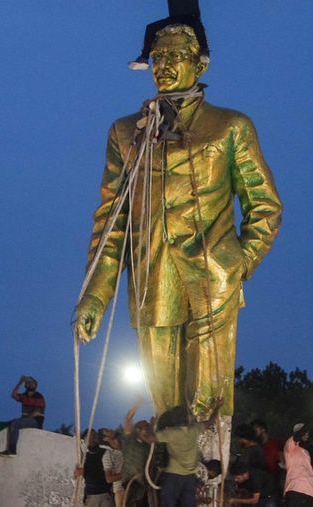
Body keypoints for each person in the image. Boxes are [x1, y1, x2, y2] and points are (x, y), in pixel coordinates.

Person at [74, 24, 283, 424]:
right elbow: (111, 219)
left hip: (213, 275)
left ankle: (209, 476)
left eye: (175, 57)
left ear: (198, 64)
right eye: (158, 58)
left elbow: (265, 205)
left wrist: (237, 264)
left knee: (209, 405)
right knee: (166, 409)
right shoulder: (126, 132)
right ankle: (168, 480)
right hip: (153, 278)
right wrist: (96, 294)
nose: (163, 66)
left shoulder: (230, 126)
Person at [154, 400, 222, 507]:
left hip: (173, 475)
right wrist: (217, 407)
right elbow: (211, 421)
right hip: (188, 477)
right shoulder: (194, 429)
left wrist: (142, 434)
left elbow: (151, 439)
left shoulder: (170, 433)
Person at [1, 375, 45, 454]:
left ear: (36, 385)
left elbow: (36, 413)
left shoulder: (39, 396)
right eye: (28, 382)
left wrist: (22, 419)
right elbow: (13, 395)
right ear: (25, 385)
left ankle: (12, 450)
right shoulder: (24, 396)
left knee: (15, 424)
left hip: (35, 422)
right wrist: (20, 382)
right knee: (4, 425)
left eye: (32, 383)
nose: (30, 384)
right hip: (25, 420)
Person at [282, 423, 313, 507]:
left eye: (307, 432)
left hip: (309, 492)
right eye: (304, 432)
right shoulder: (290, 446)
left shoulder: (306, 452)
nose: (306, 434)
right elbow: (298, 435)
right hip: (295, 489)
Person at [76, 429, 115, 507]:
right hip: (91, 495)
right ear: (84, 440)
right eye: (89, 437)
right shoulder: (83, 457)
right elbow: (79, 476)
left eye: (94, 436)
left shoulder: (105, 452)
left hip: (106, 494)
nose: (92, 439)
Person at [251, 419, 284, 490]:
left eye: (255, 429)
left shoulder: (276, 444)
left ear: (263, 429)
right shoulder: (255, 448)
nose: (253, 432)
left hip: (274, 483)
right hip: (261, 485)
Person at [102, 427, 126, 507]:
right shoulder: (108, 455)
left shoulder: (124, 451)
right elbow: (109, 479)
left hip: (134, 486)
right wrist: (127, 474)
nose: (119, 441)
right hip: (120, 489)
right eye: (116, 439)